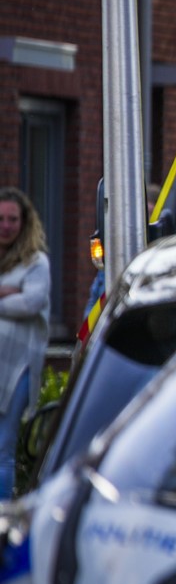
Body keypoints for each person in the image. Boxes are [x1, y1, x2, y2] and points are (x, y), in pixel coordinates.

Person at [0, 188, 51, 499]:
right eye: (0, 219)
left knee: (3, 448)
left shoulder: (36, 262)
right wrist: (8, 291)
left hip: (17, 369)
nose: (6, 225)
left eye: (12, 219)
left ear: (24, 221)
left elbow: (32, 302)